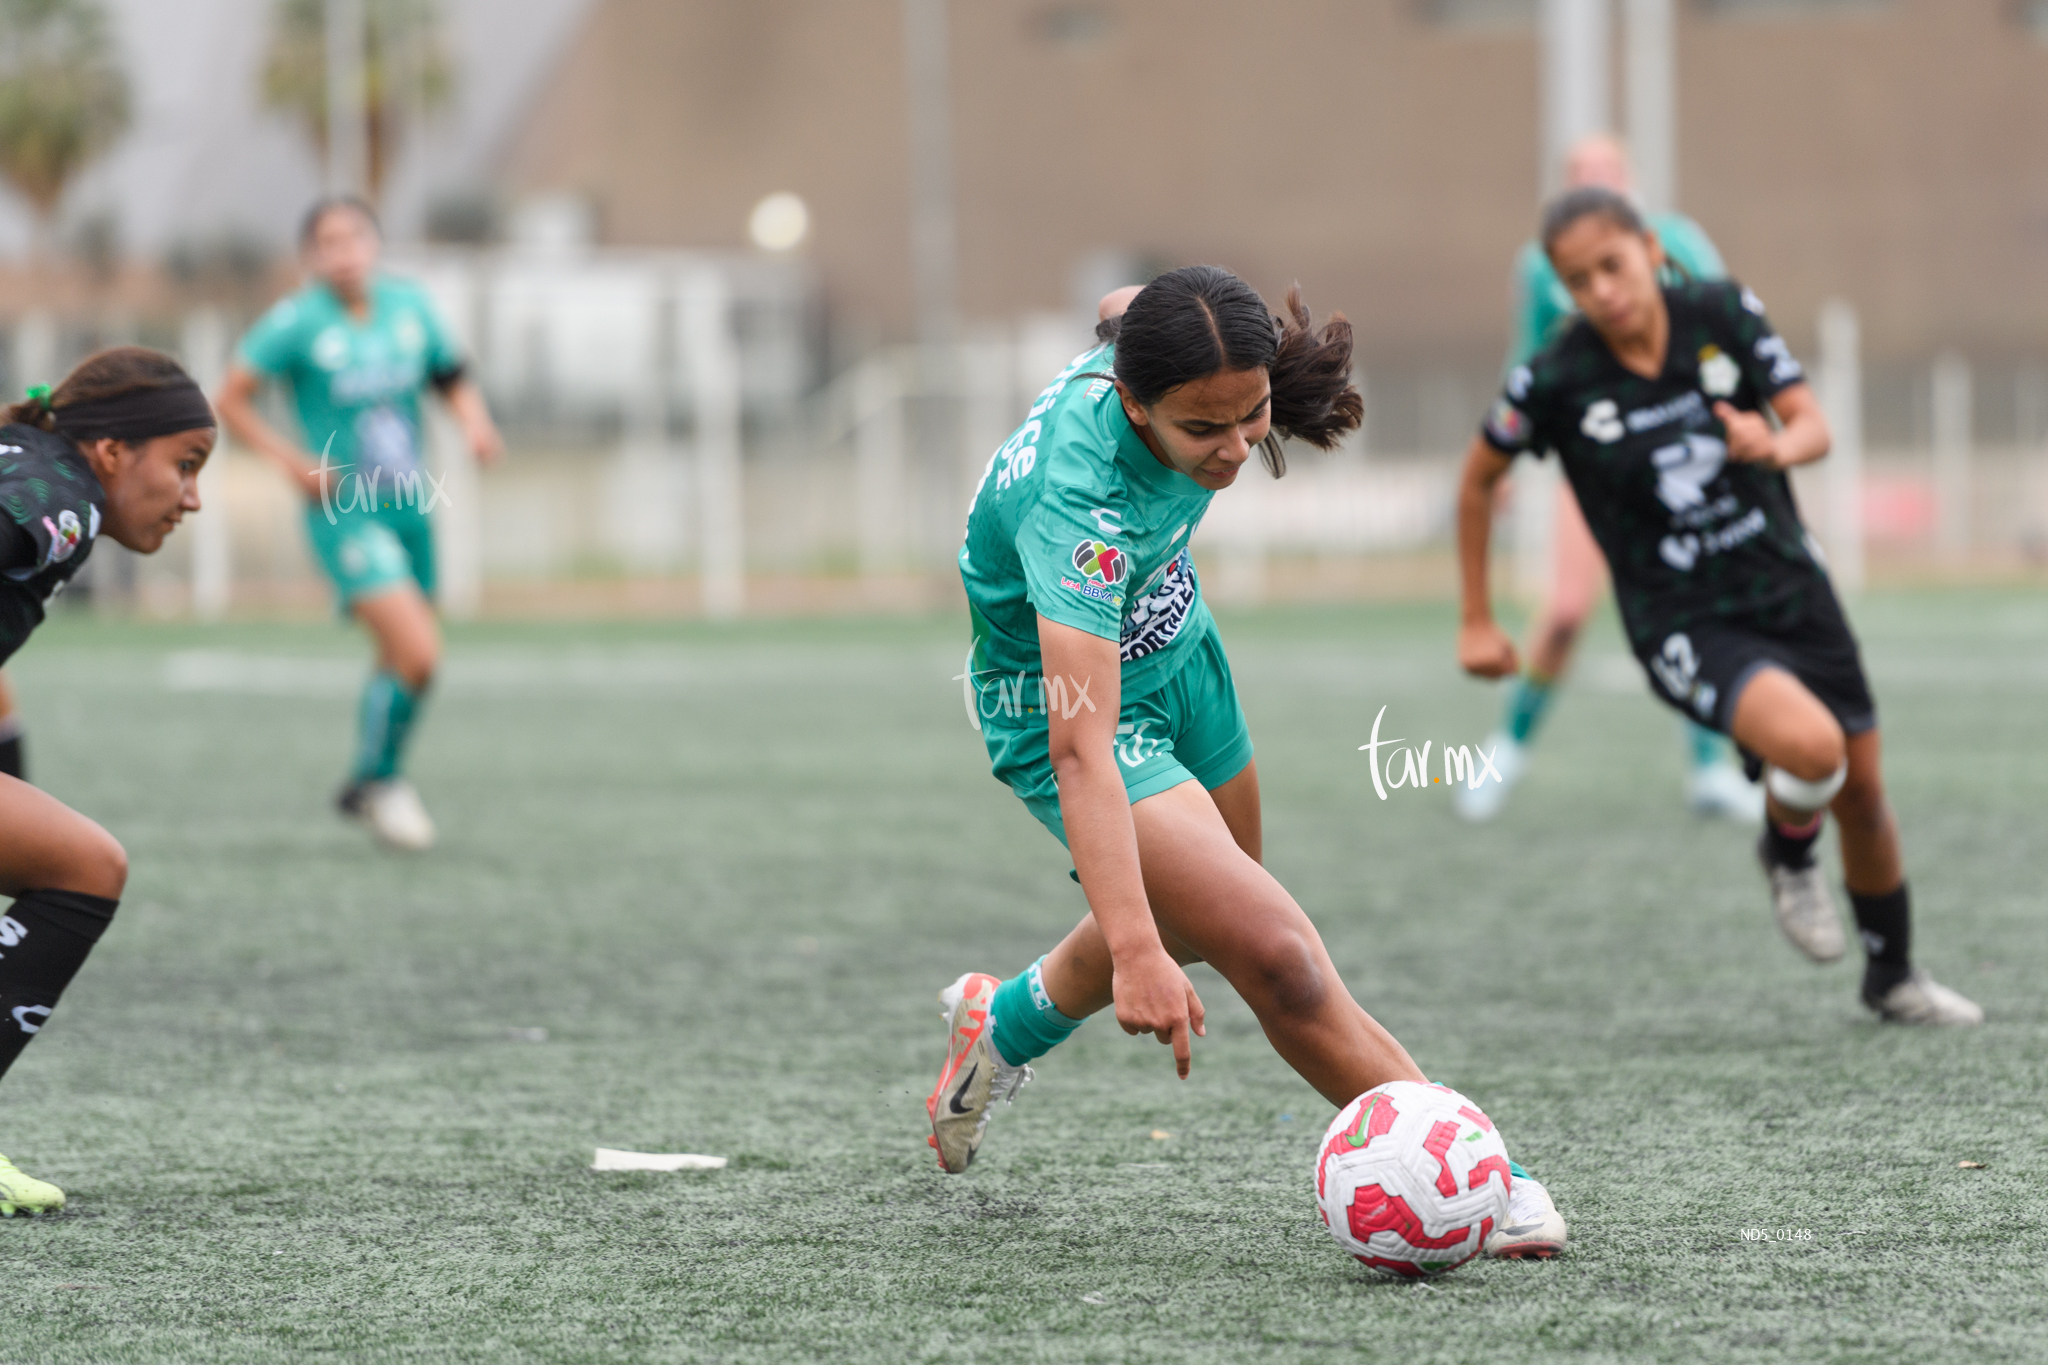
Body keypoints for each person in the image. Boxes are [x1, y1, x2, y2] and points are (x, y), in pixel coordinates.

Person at [931, 265, 1569, 1260]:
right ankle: (1484, 1172)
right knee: (1269, 950)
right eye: (1202, 431)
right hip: (1069, 708)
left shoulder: (1146, 344)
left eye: (1251, 415)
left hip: (1185, 661)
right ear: (1132, 402)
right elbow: (1078, 743)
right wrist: (1134, 952)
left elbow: (1126, 304)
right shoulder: (1080, 509)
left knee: (1209, 919)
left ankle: (1003, 1020)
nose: (1235, 450)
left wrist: (1153, 938)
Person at [1455, 187, 1982, 1025]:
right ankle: (1787, 846)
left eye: (1613, 265)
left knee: (1865, 794)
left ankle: (1893, 975)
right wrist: (1477, 617)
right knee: (1813, 752)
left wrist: (1774, 443)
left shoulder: (1722, 313)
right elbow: (1479, 478)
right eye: (1578, 279)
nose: (1601, 290)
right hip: (1681, 617)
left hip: (1788, 584)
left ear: (1652, 251)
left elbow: (1813, 425)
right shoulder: (1556, 375)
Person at [1461, 133, 1759, 823]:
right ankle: (1505, 751)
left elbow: (1722, 323)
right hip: (1592, 464)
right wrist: (1499, 456)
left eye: (1608, 172)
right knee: (1565, 610)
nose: (1598, 183)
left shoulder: (1676, 241)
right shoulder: (1540, 265)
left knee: (1699, 606)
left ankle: (1711, 769)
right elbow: (1528, 356)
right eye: (1582, 175)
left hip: (1679, 460)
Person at [216, 196, 502, 851]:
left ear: (374, 244)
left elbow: (450, 373)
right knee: (421, 653)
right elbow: (230, 398)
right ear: (310, 255)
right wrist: (292, 464)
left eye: (355, 237)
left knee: (401, 657)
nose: (343, 251)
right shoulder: (295, 322)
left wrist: (475, 422)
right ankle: (381, 782)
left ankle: (371, 782)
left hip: (411, 503)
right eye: (328, 241)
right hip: (344, 511)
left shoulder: (408, 305)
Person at [0, 348, 216, 1214]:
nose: (193, 496)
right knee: (85, 867)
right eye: (187, 463)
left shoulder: (36, 467)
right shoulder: (62, 500)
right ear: (116, 450)